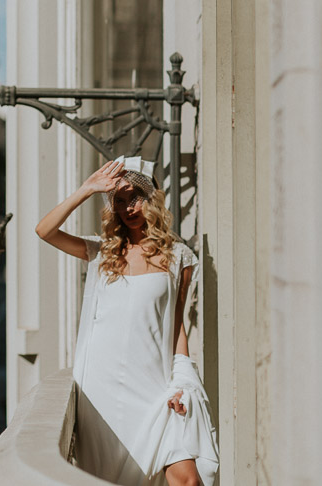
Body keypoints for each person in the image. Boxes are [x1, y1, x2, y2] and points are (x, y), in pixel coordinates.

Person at [34, 156, 219, 486]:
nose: (128, 208)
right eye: (119, 200)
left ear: (153, 199)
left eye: (135, 198)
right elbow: (44, 230)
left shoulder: (180, 258)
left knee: (187, 479)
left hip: (154, 386)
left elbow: (177, 327)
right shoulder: (102, 253)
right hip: (102, 389)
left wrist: (182, 381)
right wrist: (87, 189)